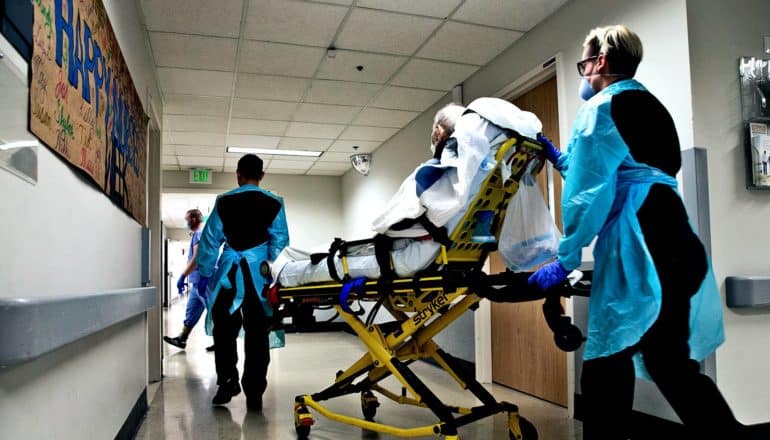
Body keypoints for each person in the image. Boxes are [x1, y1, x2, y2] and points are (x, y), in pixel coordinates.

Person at [529, 25, 768, 439]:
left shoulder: (601, 107)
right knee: (671, 365)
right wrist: (563, 160)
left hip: (641, 245)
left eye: (584, 63)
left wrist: (565, 258)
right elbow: (624, 171)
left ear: (599, 62)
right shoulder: (651, 105)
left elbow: (588, 195)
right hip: (675, 236)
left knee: (605, 368)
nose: (584, 73)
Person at [195, 154, 289, 411]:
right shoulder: (274, 203)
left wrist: (205, 272)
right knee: (257, 333)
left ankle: (227, 382)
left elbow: (210, 239)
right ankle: (255, 391)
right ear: (261, 175)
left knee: (223, 329)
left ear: (238, 174)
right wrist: (272, 273)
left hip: (230, 275)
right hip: (259, 277)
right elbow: (280, 245)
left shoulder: (224, 202)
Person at [163, 209, 214, 352]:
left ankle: (222, 342)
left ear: (193, 219)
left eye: (186, 219)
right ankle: (182, 338)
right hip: (197, 282)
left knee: (214, 312)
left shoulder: (199, 234)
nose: (186, 222)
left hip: (205, 280)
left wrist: (182, 276)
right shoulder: (197, 235)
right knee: (191, 311)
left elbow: (197, 259)